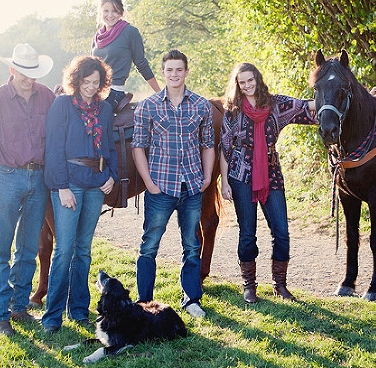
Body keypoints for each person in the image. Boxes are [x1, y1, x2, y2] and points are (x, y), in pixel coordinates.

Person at [0, 43, 55, 337]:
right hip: (7, 179)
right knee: (0, 251)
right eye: (23, 72)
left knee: (28, 249)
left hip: (39, 180)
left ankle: (19, 308)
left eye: (33, 73)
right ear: (12, 70)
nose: (28, 79)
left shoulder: (46, 96)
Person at [219, 62, 316, 303]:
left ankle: (280, 285)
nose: (247, 85)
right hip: (240, 175)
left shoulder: (275, 105)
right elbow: (224, 148)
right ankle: (249, 285)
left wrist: (332, 94)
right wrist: (224, 183)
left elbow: (305, 107)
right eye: (242, 82)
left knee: (282, 232)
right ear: (237, 85)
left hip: (271, 173)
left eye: (250, 80)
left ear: (257, 79)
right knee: (247, 233)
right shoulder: (232, 111)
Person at [131, 49, 215, 318]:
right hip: (160, 187)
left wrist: (206, 177)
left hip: (191, 187)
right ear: (163, 73)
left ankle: (191, 299)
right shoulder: (149, 105)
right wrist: (149, 183)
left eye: (179, 69)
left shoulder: (201, 106)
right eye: (169, 70)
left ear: (186, 72)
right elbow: (138, 147)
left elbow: (208, 145)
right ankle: (144, 302)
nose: (175, 74)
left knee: (191, 245)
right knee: (149, 245)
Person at [41, 55, 118, 334]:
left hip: (96, 182)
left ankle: (78, 311)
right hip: (69, 183)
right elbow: (54, 149)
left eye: (96, 82)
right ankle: (52, 316)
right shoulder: (62, 105)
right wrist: (61, 187)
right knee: (64, 250)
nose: (90, 87)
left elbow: (110, 145)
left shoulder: (105, 109)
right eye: (86, 81)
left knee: (83, 250)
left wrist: (111, 175)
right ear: (76, 80)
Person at [91, 0, 161, 110]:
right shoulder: (97, 36)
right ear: (100, 12)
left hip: (114, 91)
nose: (110, 15)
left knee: (97, 114)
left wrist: (159, 93)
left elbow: (141, 64)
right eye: (106, 11)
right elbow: (90, 68)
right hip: (93, 89)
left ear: (121, 12)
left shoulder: (129, 32)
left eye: (115, 11)